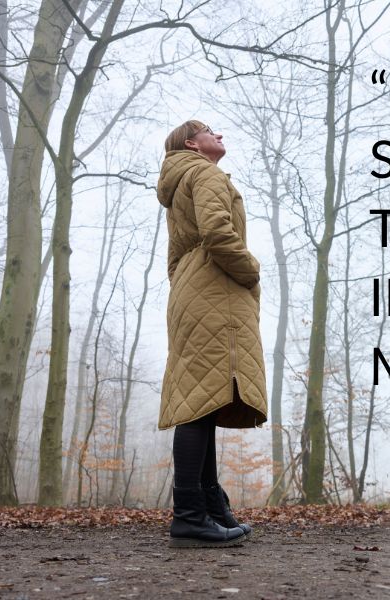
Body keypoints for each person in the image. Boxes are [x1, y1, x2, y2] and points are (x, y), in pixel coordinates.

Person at [156, 120, 268, 548]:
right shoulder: (204, 172)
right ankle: (188, 516)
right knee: (199, 406)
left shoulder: (179, 179)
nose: (219, 136)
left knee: (202, 397)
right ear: (191, 142)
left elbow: (175, 256)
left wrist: (188, 280)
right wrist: (251, 272)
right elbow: (218, 234)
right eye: (210, 132)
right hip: (214, 290)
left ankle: (208, 506)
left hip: (192, 289)